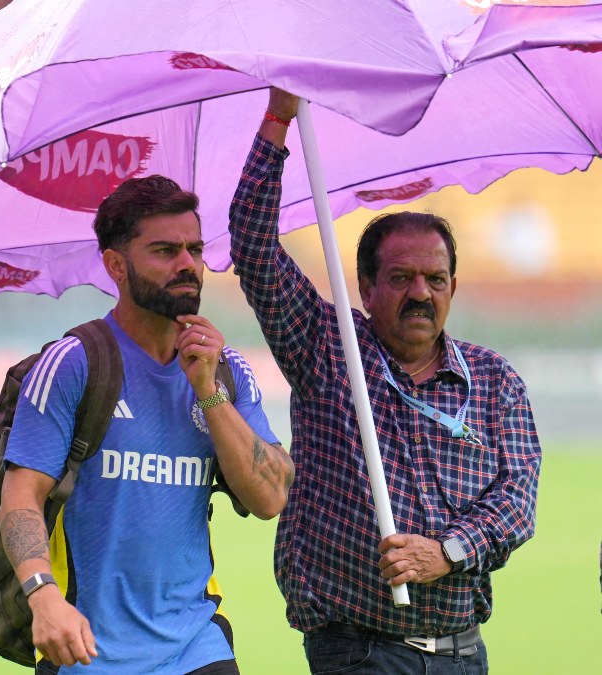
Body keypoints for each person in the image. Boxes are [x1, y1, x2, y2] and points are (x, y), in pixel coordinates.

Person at [228, 89, 541, 673]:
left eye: (435, 278)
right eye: (401, 277)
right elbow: (252, 244)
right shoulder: (326, 348)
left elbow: (518, 502)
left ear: (453, 286)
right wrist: (278, 119)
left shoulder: (495, 382)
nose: (421, 292)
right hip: (358, 650)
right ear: (366, 289)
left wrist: (447, 552)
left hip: (462, 651)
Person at [0, 175, 295, 674]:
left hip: (197, 646)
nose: (187, 264)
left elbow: (271, 499)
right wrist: (42, 597)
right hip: (86, 651)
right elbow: (20, 497)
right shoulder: (75, 363)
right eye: (164, 250)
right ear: (116, 265)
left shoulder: (226, 369)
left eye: (194, 249)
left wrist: (208, 391)